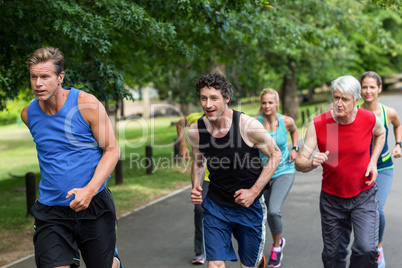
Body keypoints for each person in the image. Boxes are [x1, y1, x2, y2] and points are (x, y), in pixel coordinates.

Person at [21, 47, 123, 268]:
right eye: (33, 77)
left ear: (60, 77)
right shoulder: (28, 114)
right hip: (51, 211)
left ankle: (113, 262)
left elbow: (112, 150)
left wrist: (89, 190)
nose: (38, 83)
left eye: (45, 77)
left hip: (93, 204)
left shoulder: (86, 105)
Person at [188, 72, 282, 268]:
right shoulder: (196, 131)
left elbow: (275, 155)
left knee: (248, 265)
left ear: (227, 98)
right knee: (214, 264)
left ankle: (257, 261)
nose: (208, 104)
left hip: (249, 206)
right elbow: (198, 162)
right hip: (216, 205)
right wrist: (196, 186)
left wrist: (254, 192)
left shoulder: (248, 126)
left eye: (214, 98)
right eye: (203, 98)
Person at [295, 75, 386, 267]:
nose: (339, 103)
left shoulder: (368, 119)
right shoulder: (321, 123)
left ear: (356, 100)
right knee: (333, 255)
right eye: (336, 98)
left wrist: (373, 161)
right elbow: (299, 162)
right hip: (332, 201)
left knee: (367, 249)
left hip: (364, 195)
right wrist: (311, 163)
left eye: (344, 99)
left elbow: (382, 133)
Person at [358, 71, 402, 268]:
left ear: (379, 89)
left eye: (372, 87)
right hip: (359, 169)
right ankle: (362, 246)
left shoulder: (388, 112)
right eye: (365, 87)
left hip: (383, 167)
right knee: (359, 211)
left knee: (379, 209)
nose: (368, 91)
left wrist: (399, 144)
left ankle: (378, 246)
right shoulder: (355, 112)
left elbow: (398, 125)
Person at [253, 88, 298, 267]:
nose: (267, 106)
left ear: (276, 103)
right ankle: (258, 249)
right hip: (262, 174)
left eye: (270, 102)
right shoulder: (254, 123)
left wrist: (295, 148)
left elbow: (295, 131)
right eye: (264, 103)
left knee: (273, 211)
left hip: (283, 170)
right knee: (261, 214)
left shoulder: (286, 121)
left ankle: (277, 247)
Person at [177, 112, 210, 265]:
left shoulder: (226, 121)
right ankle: (200, 251)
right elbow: (179, 123)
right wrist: (183, 146)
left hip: (223, 177)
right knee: (199, 210)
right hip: (203, 175)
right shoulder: (195, 118)